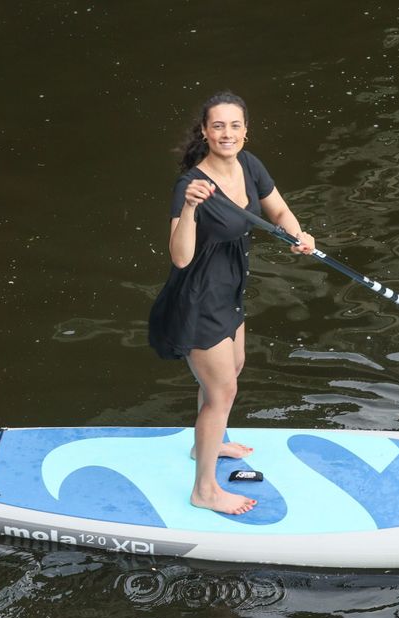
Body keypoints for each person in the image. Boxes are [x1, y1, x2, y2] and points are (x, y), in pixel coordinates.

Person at [148, 92, 316, 515]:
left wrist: (299, 236)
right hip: (198, 298)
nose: (227, 133)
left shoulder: (249, 165)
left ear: (245, 130)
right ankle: (204, 490)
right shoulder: (191, 185)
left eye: (234, 125)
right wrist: (189, 209)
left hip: (230, 291)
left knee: (231, 372)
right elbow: (181, 256)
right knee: (223, 389)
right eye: (218, 126)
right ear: (204, 132)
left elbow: (279, 211)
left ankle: (209, 443)